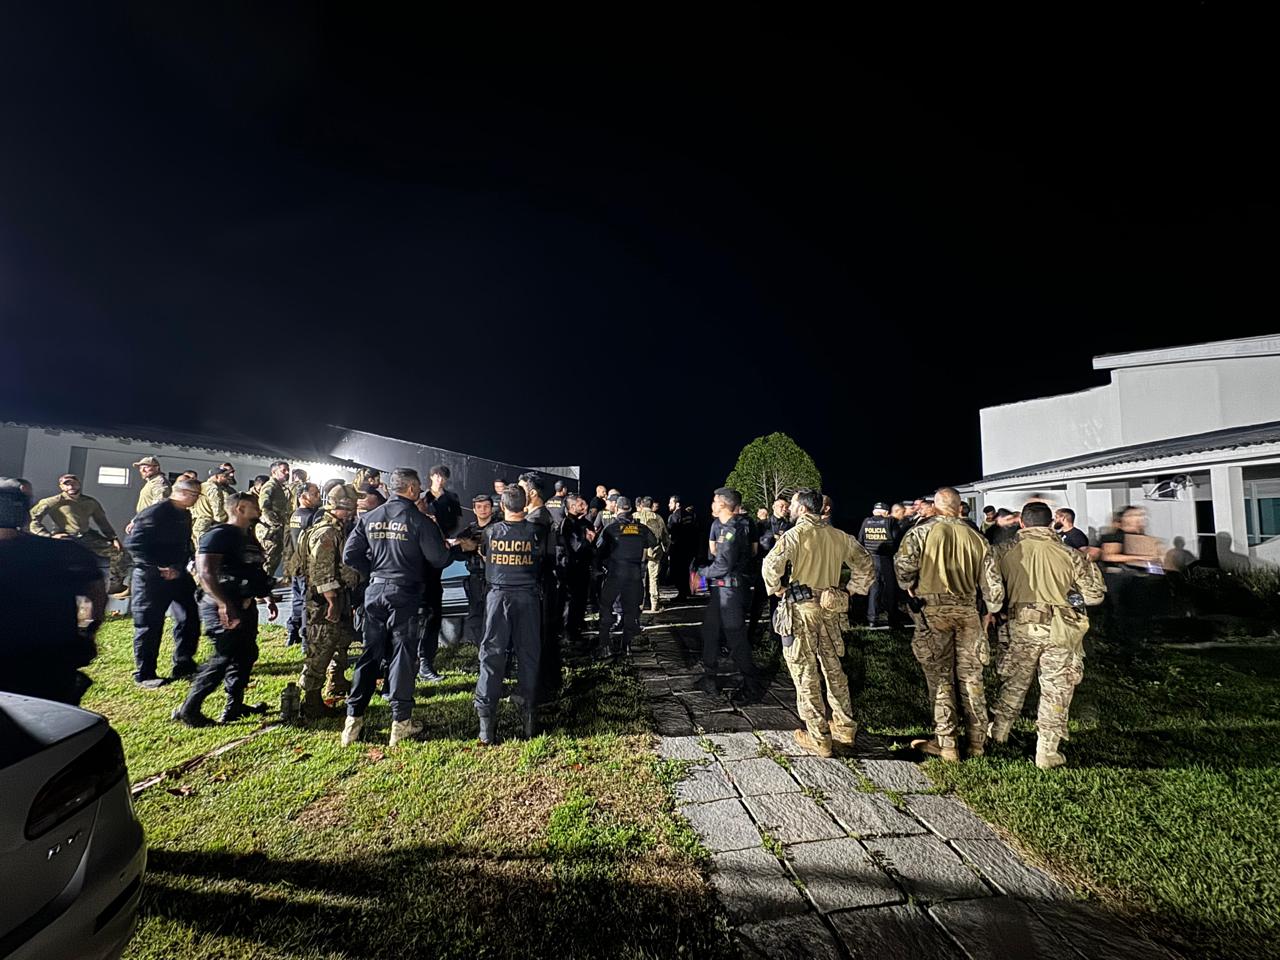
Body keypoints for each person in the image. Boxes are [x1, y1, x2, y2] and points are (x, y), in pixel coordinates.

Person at [340, 468, 469, 747]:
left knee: (370, 654)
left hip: (375, 591)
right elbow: (438, 559)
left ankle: (353, 720)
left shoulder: (370, 517)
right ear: (411, 489)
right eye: (418, 487)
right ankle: (400, 722)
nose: (420, 490)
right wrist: (456, 549)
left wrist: (373, 570)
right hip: (405, 593)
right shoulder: (419, 521)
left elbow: (349, 554)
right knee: (402, 654)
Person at [988, 501, 1105, 769]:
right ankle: (1047, 751)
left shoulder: (1003, 552)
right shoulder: (1071, 554)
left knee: (1014, 682)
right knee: (1055, 690)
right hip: (1060, 630)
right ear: (1051, 523)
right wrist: (1067, 597)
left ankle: (999, 731)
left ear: (1022, 523)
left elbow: (993, 588)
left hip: (1021, 628)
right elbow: (1094, 596)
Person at [894, 486, 1005, 762]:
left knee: (940, 678)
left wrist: (910, 586)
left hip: (933, 613)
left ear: (937, 505)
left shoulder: (921, 532)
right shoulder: (978, 539)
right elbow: (994, 590)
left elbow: (903, 568)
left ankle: (947, 744)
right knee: (971, 679)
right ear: (959, 507)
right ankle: (977, 743)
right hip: (967, 613)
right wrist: (990, 610)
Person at [763, 488, 874, 756]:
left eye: (791, 504)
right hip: (831, 610)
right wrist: (849, 591)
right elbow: (867, 565)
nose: (789, 508)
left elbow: (770, 566)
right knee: (834, 669)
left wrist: (777, 588)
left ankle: (819, 737)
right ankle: (845, 727)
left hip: (802, 611)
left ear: (802, 508)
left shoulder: (795, 535)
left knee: (805, 673)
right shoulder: (839, 536)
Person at [171, 492, 278, 726]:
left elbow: (254, 571)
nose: (259, 510)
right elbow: (206, 572)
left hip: (244, 604)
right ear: (240, 508)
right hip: (222, 606)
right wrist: (223, 603)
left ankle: (234, 706)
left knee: (246, 654)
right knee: (223, 657)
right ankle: (189, 710)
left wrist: (266, 597)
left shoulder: (247, 536)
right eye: (254, 506)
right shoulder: (219, 535)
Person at [0, 478, 105, 705]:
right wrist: (87, 631)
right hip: (52, 657)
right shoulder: (64, 552)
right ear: (26, 516)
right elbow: (95, 593)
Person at [474, 485, 544, 744]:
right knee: (528, 654)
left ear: (501, 506)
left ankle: (486, 726)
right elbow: (545, 563)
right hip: (528, 598)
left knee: (491, 655)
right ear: (525, 505)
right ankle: (528, 716)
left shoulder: (490, 532)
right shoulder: (538, 533)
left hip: (497, 598)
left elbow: (484, 555)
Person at [124, 477, 203, 688]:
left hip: (178, 573)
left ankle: (184, 663)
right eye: (195, 495)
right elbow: (134, 544)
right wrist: (156, 568)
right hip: (151, 577)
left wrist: (190, 560)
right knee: (149, 624)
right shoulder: (155, 513)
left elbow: (184, 542)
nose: (196, 499)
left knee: (190, 617)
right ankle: (145, 674)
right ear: (184, 493)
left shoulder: (184, 514)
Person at [295, 486, 361, 719]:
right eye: (351, 506)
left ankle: (336, 681)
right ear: (340, 507)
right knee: (321, 648)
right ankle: (311, 702)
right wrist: (331, 600)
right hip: (324, 601)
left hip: (337, 595)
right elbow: (321, 570)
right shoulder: (326, 533)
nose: (354, 511)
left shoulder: (336, 529)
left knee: (339, 640)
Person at [696, 487, 764, 700]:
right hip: (722, 589)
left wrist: (701, 573)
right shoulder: (729, 526)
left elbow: (723, 564)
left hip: (730, 590)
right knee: (710, 631)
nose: (712, 505)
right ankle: (709, 678)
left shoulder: (731, 530)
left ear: (723, 505)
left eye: (715, 501)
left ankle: (751, 685)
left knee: (735, 637)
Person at [414, 464, 462, 683]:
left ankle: (424, 664)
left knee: (431, 617)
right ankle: (413, 665)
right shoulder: (418, 510)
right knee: (421, 620)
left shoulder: (450, 499)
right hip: (415, 576)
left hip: (429, 573)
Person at [28, 473, 121, 584]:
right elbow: (32, 520)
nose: (71, 486)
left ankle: (116, 585)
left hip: (86, 536)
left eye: (73, 483)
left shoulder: (90, 502)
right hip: (64, 537)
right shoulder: (52, 502)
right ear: (61, 487)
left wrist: (113, 538)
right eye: (66, 484)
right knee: (60, 563)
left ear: (78, 484)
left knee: (118, 553)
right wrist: (49, 536)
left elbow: (102, 521)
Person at [594, 495, 656, 658]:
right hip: (635, 575)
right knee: (631, 611)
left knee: (606, 608)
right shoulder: (641, 528)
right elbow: (653, 541)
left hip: (615, 574)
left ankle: (605, 645)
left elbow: (599, 550)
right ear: (631, 509)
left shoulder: (611, 529)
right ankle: (626, 646)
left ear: (617, 509)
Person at [1098, 506, 1163, 658]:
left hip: (1141, 581)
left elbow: (1155, 560)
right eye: (1135, 515)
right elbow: (1108, 556)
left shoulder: (1143, 537)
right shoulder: (1115, 536)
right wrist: (1140, 558)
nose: (1140, 518)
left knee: (1139, 616)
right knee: (1120, 614)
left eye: (1141, 515)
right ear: (1125, 518)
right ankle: (1118, 648)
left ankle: (1139, 646)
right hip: (1120, 580)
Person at [521, 471, 561, 701]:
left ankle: (541, 689)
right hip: (545, 585)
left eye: (521, 489)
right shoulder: (539, 516)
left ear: (532, 493)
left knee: (540, 637)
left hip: (541, 587)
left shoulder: (537, 521)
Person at [457, 493, 501, 647]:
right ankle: (480, 647)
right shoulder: (468, 531)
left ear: (492, 508)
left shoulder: (499, 529)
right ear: (474, 510)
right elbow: (456, 549)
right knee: (476, 613)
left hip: (496, 578)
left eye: (486, 506)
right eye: (479, 507)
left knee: (496, 614)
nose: (483, 510)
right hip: (476, 577)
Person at [285, 482, 322, 649]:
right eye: (315, 494)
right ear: (303, 496)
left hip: (296, 563)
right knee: (308, 602)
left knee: (298, 599)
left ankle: (292, 632)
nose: (319, 497)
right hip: (307, 565)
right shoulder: (312, 517)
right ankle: (306, 640)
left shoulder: (295, 515)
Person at [559, 493, 595, 645]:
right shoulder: (567, 524)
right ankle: (570, 633)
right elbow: (575, 547)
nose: (585, 506)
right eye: (581, 504)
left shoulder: (585, 523)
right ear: (572, 507)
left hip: (583, 568)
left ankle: (577, 628)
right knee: (572, 601)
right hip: (572, 569)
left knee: (580, 600)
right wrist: (588, 540)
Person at [857, 502, 897, 629]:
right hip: (886, 560)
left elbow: (860, 541)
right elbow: (896, 541)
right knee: (890, 590)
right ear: (885, 512)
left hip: (870, 559)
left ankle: (872, 619)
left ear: (874, 512)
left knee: (874, 590)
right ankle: (892, 618)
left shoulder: (866, 522)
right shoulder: (890, 522)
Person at [256, 460, 292, 577]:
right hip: (270, 530)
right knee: (268, 560)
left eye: (288, 470)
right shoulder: (270, 486)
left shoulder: (281, 488)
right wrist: (275, 525)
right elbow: (264, 508)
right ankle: (260, 591)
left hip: (278, 528)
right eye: (283, 471)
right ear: (274, 472)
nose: (287, 473)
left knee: (274, 560)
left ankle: (266, 589)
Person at [635, 495, 670, 613]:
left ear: (642, 505)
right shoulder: (658, 517)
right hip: (654, 551)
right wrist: (665, 548)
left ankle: (639, 603)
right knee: (653, 577)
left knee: (638, 577)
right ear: (651, 505)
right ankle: (654, 604)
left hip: (638, 551)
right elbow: (665, 535)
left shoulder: (636, 516)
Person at [192, 465, 236, 545]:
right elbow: (218, 515)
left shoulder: (202, 485)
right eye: (225, 476)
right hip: (206, 525)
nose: (227, 478)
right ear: (216, 476)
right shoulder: (214, 489)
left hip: (196, 522)